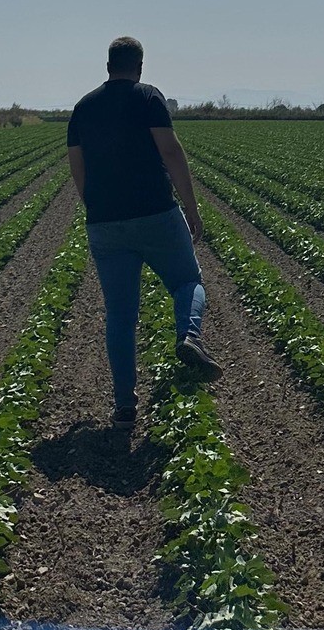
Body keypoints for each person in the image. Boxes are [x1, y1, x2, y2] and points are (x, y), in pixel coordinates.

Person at [67, 37, 222, 426]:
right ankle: (189, 336)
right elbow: (170, 152)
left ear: (107, 66)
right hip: (156, 213)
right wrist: (191, 208)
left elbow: (77, 166)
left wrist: (97, 207)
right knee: (188, 281)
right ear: (139, 66)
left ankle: (124, 407)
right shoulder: (148, 97)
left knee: (120, 314)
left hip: (104, 222)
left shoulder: (83, 108)